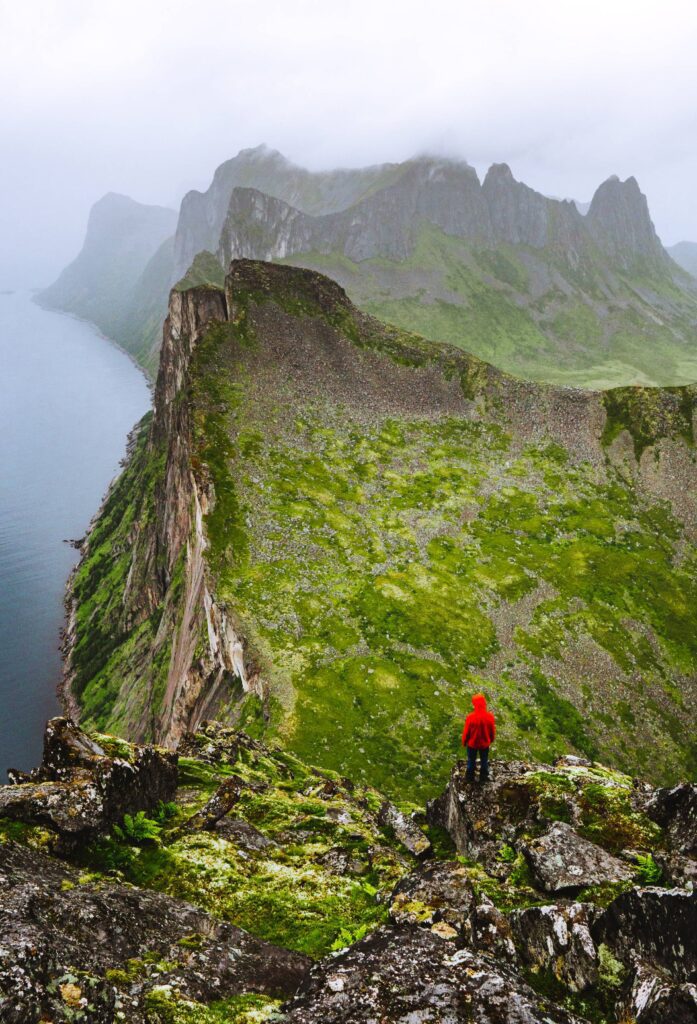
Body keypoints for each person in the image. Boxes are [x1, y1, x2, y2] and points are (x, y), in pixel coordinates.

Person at [462, 693, 496, 782]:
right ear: (484, 703)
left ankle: (469, 777)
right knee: (484, 760)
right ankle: (483, 777)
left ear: (474, 704)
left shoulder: (470, 717)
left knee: (471, 760)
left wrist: (464, 741)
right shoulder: (490, 716)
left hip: (472, 744)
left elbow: (466, 732)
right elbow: (492, 731)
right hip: (484, 744)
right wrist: (491, 739)